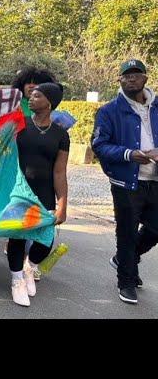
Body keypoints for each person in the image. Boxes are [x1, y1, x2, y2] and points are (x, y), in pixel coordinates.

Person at [92, 59, 158, 305]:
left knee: (155, 228)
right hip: (126, 181)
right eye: (126, 75)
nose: (131, 78)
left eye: (136, 74)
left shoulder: (157, 107)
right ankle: (126, 281)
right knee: (127, 234)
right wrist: (130, 154)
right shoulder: (109, 111)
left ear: (145, 78)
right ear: (119, 80)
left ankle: (125, 259)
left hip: (156, 180)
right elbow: (99, 145)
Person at [7, 82, 69, 307]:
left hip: (44, 193)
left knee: (45, 241)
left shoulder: (61, 135)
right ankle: (16, 280)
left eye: (36, 96)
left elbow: (60, 171)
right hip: (19, 191)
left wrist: (62, 204)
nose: (31, 99)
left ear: (49, 102)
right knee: (17, 237)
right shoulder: (20, 125)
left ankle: (29, 268)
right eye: (30, 96)